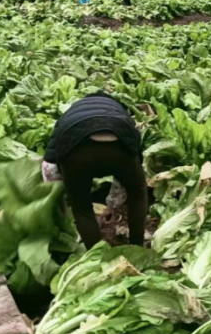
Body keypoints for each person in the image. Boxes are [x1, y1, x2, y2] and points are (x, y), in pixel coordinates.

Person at [42, 92, 147, 249]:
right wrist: (113, 205)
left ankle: (95, 255)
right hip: (119, 141)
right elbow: (131, 167)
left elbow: (49, 165)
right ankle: (137, 245)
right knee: (138, 192)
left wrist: (58, 202)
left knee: (81, 207)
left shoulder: (69, 115)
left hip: (77, 148)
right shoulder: (121, 112)